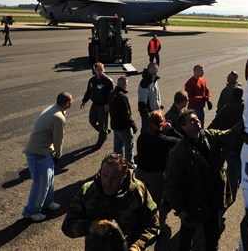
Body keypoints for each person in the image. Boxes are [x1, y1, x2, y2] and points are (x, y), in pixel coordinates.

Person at [164, 109, 243, 251]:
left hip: (212, 200)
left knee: (213, 238)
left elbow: (228, 135)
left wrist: (245, 121)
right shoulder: (178, 153)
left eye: (196, 118)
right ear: (183, 127)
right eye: (192, 120)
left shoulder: (209, 136)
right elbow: (172, 186)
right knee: (186, 241)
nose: (197, 121)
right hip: (193, 203)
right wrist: (181, 210)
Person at [61, 153, 160, 251]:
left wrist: (137, 246)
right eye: (104, 176)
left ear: (124, 175)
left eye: (114, 177)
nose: (108, 183)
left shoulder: (137, 191)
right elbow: (67, 226)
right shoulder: (88, 191)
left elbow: (152, 226)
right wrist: (91, 226)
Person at [23, 92, 73, 222]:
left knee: (49, 180)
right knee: (41, 184)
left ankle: (47, 202)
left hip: (45, 151)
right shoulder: (58, 117)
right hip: (38, 152)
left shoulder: (54, 109)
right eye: (71, 101)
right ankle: (31, 211)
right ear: (67, 103)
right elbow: (58, 139)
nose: (71, 104)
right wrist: (59, 155)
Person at [135, 110, 181, 231]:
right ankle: (154, 227)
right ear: (163, 123)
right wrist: (171, 129)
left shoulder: (142, 137)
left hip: (140, 172)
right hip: (156, 175)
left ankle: (139, 223)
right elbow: (182, 141)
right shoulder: (164, 140)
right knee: (155, 204)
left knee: (141, 200)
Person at [209, 86, 244, 200]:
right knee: (240, 169)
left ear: (232, 95)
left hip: (230, 145)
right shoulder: (245, 109)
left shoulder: (227, 108)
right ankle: (236, 187)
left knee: (232, 171)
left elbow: (215, 124)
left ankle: (231, 194)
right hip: (243, 146)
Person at [80, 63, 114, 150]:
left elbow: (112, 95)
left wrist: (108, 104)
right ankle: (104, 132)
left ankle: (100, 142)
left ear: (104, 70)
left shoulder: (108, 81)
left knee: (102, 125)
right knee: (92, 121)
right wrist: (84, 101)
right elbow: (88, 92)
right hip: (94, 104)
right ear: (95, 70)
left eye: (101, 70)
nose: (100, 72)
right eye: (98, 70)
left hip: (103, 106)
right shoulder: (92, 80)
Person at [109, 76, 138, 163]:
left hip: (115, 126)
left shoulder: (111, 94)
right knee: (129, 147)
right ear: (125, 85)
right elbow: (126, 114)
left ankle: (117, 164)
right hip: (124, 127)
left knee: (117, 148)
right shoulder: (122, 97)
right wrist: (133, 126)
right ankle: (130, 165)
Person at [137, 63, 162, 134]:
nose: (157, 70)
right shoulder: (145, 82)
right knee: (146, 129)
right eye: (156, 69)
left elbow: (156, 95)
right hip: (148, 112)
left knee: (154, 129)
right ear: (150, 69)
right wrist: (145, 111)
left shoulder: (154, 80)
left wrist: (159, 105)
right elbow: (142, 98)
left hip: (155, 111)